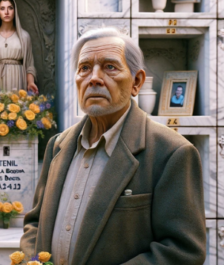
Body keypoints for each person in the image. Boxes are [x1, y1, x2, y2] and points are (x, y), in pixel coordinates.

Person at [20, 28, 206, 265]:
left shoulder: (172, 153)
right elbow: (35, 223)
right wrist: (31, 260)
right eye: (84, 68)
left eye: (110, 67)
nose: (94, 78)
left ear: (136, 82)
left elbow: (183, 251)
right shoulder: (58, 146)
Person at [0, 0, 38, 95]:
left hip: (18, 80)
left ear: (15, 11)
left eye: (10, 8)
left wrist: (30, 82)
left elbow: (29, 64)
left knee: (17, 107)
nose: (6, 12)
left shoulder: (24, 36)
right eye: (2, 8)